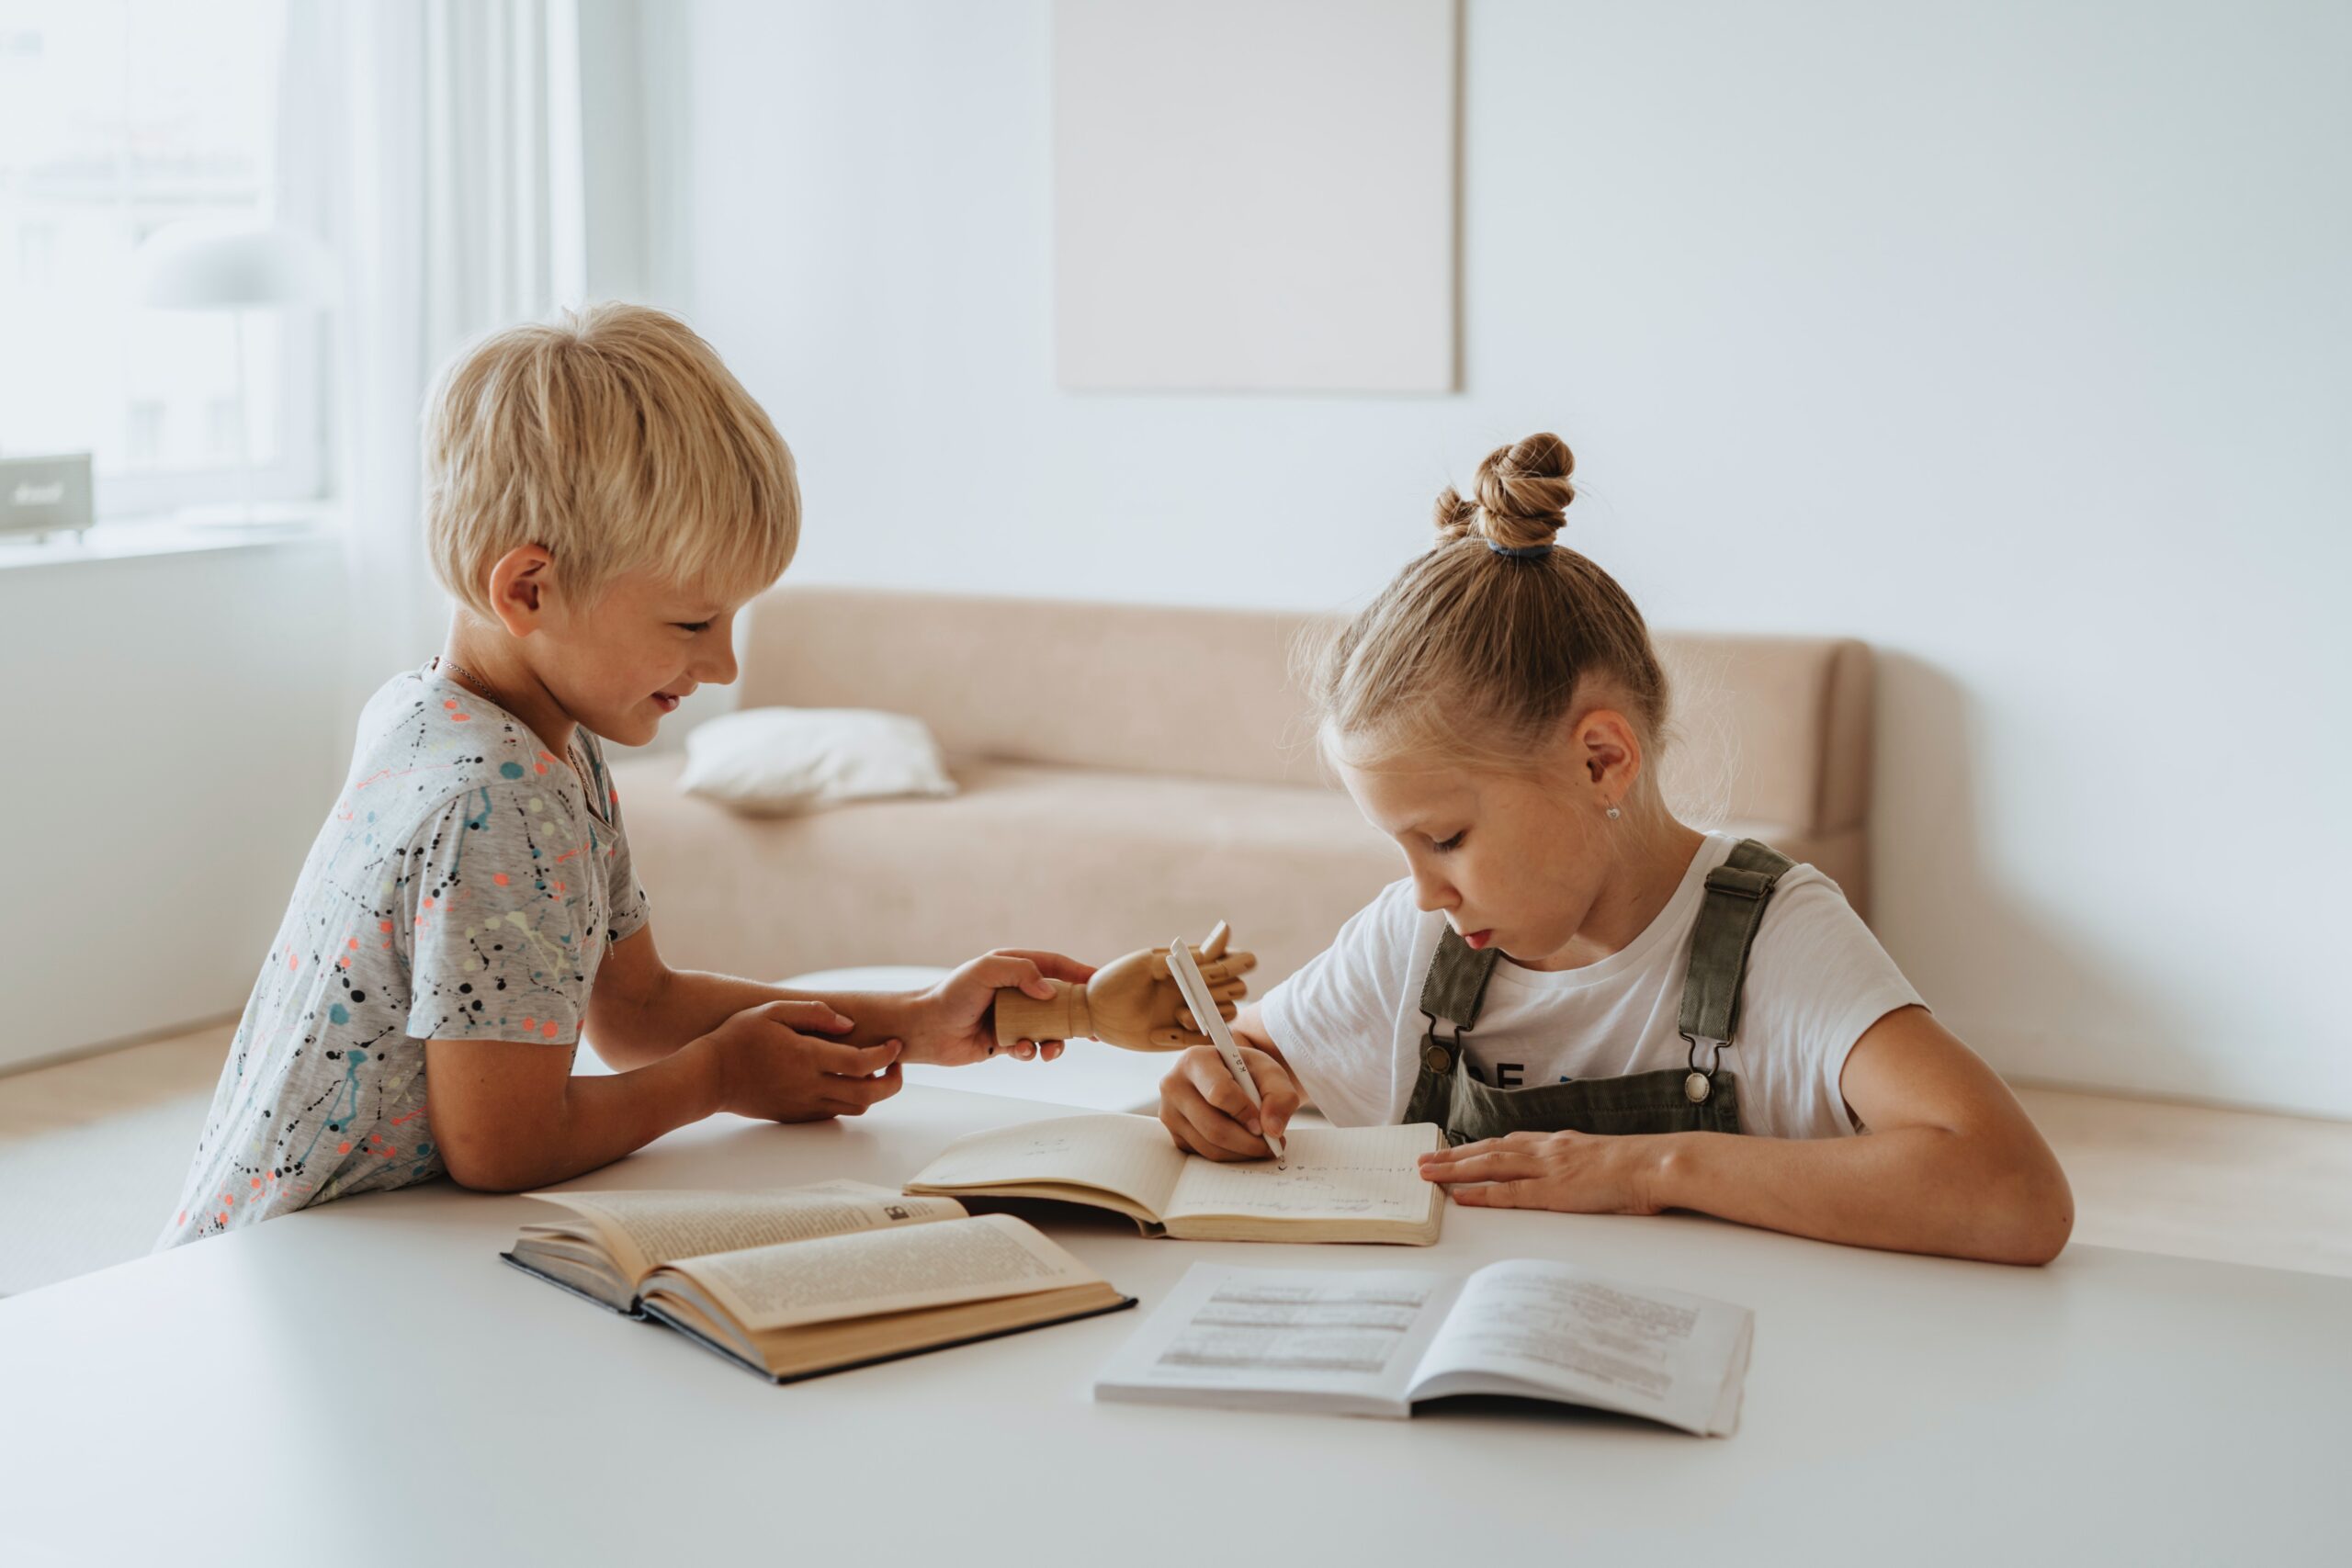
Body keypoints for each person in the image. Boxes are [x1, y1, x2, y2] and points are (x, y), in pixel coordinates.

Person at [160, 304, 1090, 1246]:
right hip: (293, 1264)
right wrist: (716, 1079)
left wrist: (920, 1021)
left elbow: (638, 1008)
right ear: (529, 589)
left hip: (327, 1244)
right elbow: (502, 1145)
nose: (724, 665)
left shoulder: (468, 720)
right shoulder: (494, 797)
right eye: (691, 625)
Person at [1155, 434, 2073, 1265]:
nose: (1424, 890)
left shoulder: (1774, 940)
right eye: (1400, 846)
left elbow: (2015, 1195)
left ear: (1601, 761)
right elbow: (1258, 1048)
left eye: (1445, 839)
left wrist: (1652, 1169)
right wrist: (1228, 1084)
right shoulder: (1418, 938)